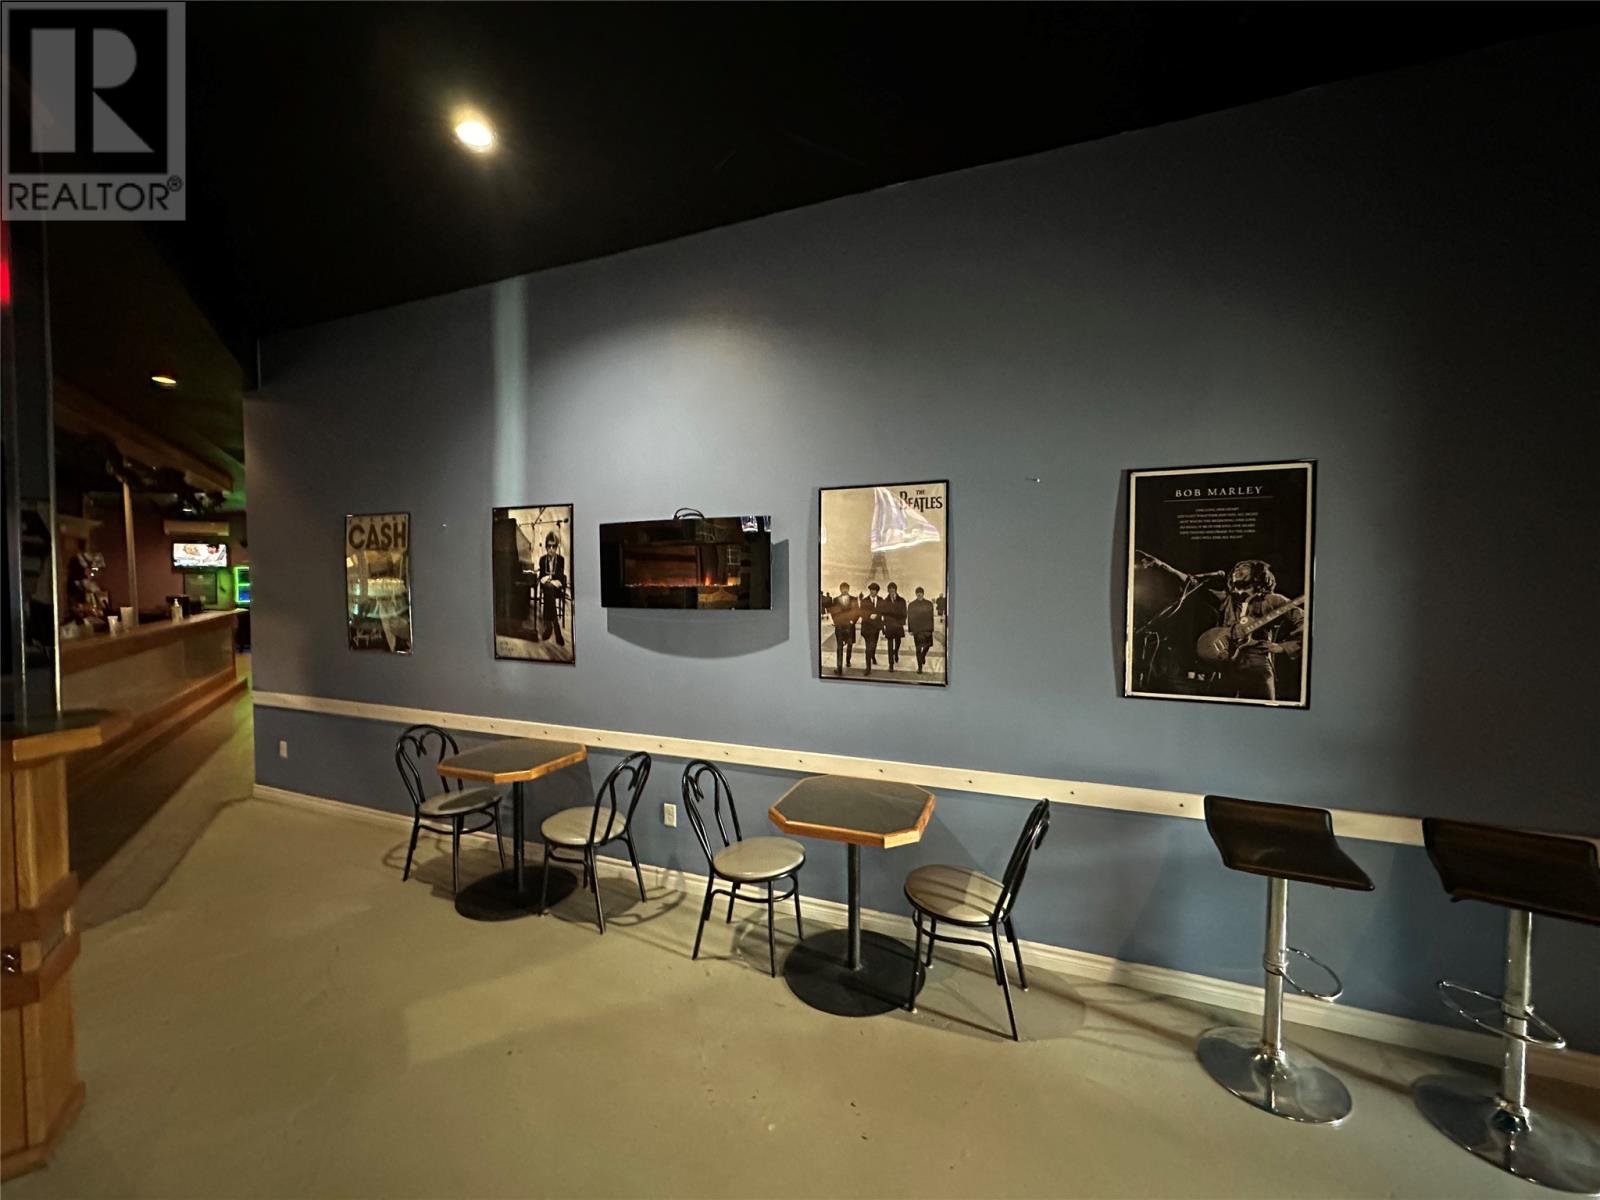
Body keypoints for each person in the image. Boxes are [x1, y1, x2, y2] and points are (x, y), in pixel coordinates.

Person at [1207, 559, 1303, 702]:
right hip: (1225, 663)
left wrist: (1284, 647)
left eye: (1244, 567)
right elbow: (1191, 585)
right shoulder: (1226, 599)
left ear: (1258, 575)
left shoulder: (1273, 600)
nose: (1237, 570)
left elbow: (1305, 621)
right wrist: (1168, 569)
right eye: (1236, 568)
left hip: (1256, 663)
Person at [536, 531, 567, 648]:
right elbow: (541, 577)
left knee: (548, 588)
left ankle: (549, 627)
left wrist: (549, 579)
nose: (551, 549)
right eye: (549, 546)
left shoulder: (561, 559)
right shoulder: (542, 559)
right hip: (547, 587)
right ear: (546, 547)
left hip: (556, 588)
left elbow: (559, 577)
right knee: (548, 588)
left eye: (554, 546)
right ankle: (556, 627)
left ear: (557, 547)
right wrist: (549, 579)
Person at [828, 582, 859, 676]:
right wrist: (837, 622)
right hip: (840, 627)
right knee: (839, 647)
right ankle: (839, 668)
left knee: (850, 645)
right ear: (840, 589)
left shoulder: (854, 599)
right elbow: (833, 613)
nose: (844, 590)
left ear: (848, 589)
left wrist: (852, 622)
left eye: (846, 588)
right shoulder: (835, 600)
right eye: (842, 588)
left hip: (850, 626)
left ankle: (848, 660)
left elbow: (857, 612)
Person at [907, 585, 936, 674]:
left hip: (927, 629)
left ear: (923, 594)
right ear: (916, 594)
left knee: (927, 646)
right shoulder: (912, 605)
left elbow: (931, 617)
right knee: (918, 649)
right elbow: (910, 618)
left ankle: (922, 656)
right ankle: (920, 667)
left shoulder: (929, 604)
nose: (919, 594)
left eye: (921, 593)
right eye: (918, 593)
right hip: (917, 630)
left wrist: (932, 628)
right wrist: (910, 629)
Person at [880, 581, 907, 671]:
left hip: (898, 625)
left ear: (895, 590)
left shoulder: (902, 600)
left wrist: (901, 622)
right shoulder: (885, 601)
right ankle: (891, 664)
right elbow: (883, 614)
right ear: (888, 590)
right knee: (890, 645)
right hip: (889, 625)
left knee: (898, 642)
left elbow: (904, 612)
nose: (891, 591)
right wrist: (883, 626)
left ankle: (896, 652)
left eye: (893, 589)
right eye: (890, 589)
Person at [859, 581, 884, 676]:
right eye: (871, 590)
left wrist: (877, 615)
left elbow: (883, 611)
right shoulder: (864, 601)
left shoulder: (881, 600)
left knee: (873, 645)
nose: (872, 592)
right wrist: (869, 616)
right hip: (867, 628)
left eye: (874, 590)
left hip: (876, 628)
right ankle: (868, 668)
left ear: (877, 591)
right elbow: (861, 613)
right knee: (868, 648)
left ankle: (872, 656)